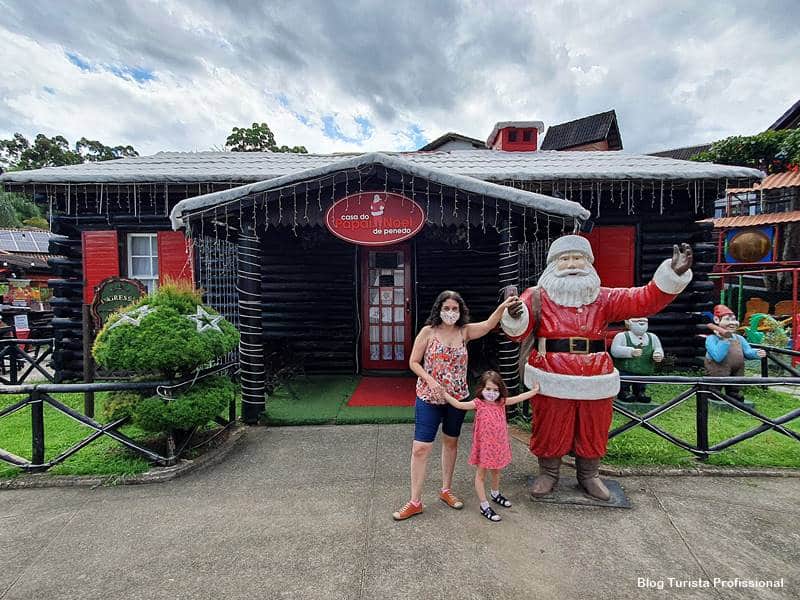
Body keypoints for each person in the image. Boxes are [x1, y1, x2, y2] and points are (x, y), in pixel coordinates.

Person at [502, 235, 693, 501]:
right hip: (551, 372)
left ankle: (589, 475)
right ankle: (548, 473)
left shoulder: (604, 298)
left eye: (578, 258)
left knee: (594, 426)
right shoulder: (536, 297)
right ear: (553, 265)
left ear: (588, 263)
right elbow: (517, 333)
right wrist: (514, 316)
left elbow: (644, 300)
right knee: (550, 425)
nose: (572, 264)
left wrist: (671, 275)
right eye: (565, 259)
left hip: (595, 375)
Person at [392, 291, 520, 521]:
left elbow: (490, 324)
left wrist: (504, 306)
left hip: (457, 399)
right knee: (420, 448)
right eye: (446, 308)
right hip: (428, 398)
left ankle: (446, 490)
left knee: (451, 443)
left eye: (455, 309)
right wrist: (430, 380)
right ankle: (414, 501)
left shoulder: (465, 332)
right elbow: (413, 361)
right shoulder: (428, 332)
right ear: (438, 309)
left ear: (460, 311)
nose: (450, 312)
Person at [442, 370, 539, 522]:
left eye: (495, 390)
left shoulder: (501, 402)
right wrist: (444, 394)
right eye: (488, 389)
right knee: (481, 475)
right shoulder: (478, 403)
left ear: (500, 391)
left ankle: (495, 493)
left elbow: (519, 397)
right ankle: (484, 505)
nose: (492, 393)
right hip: (484, 447)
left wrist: (534, 391)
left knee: (496, 471)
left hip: (499, 445)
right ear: (481, 389)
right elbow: (459, 405)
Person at [704, 304, 766, 402]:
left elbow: (747, 351)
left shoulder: (739, 338)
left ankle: (733, 393)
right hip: (718, 367)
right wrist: (724, 339)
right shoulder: (711, 339)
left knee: (736, 380)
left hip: (737, 367)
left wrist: (755, 353)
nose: (732, 323)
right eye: (728, 319)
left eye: (734, 319)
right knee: (717, 378)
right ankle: (713, 392)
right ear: (717, 320)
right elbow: (718, 357)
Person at [610, 317, 664, 403]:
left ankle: (640, 393)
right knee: (625, 382)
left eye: (644, 321)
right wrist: (630, 352)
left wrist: (658, 354)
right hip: (626, 368)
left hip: (644, 368)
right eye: (637, 320)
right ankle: (624, 392)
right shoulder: (622, 336)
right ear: (628, 322)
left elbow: (658, 348)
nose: (641, 322)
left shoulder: (652, 337)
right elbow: (615, 351)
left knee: (641, 382)